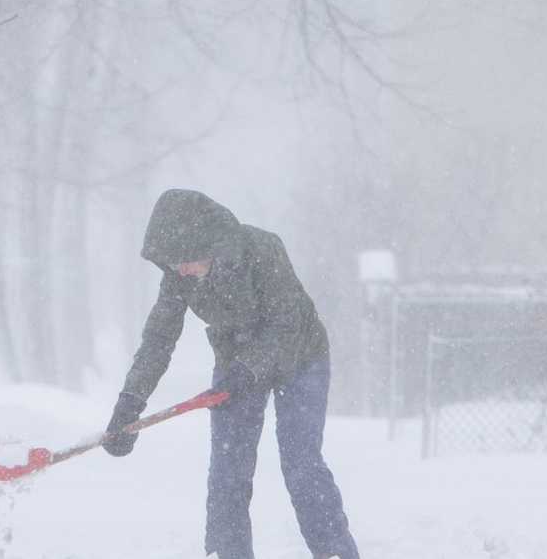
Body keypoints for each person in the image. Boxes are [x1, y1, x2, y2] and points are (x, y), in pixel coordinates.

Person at [102, 189, 361, 559]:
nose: (181, 270)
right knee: (228, 471)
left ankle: (335, 552)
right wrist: (129, 402)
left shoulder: (263, 248)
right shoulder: (179, 276)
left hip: (300, 357)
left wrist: (249, 369)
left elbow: (285, 323)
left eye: (185, 260)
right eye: (174, 264)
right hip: (235, 362)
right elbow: (159, 339)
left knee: (301, 463)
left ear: (207, 241)